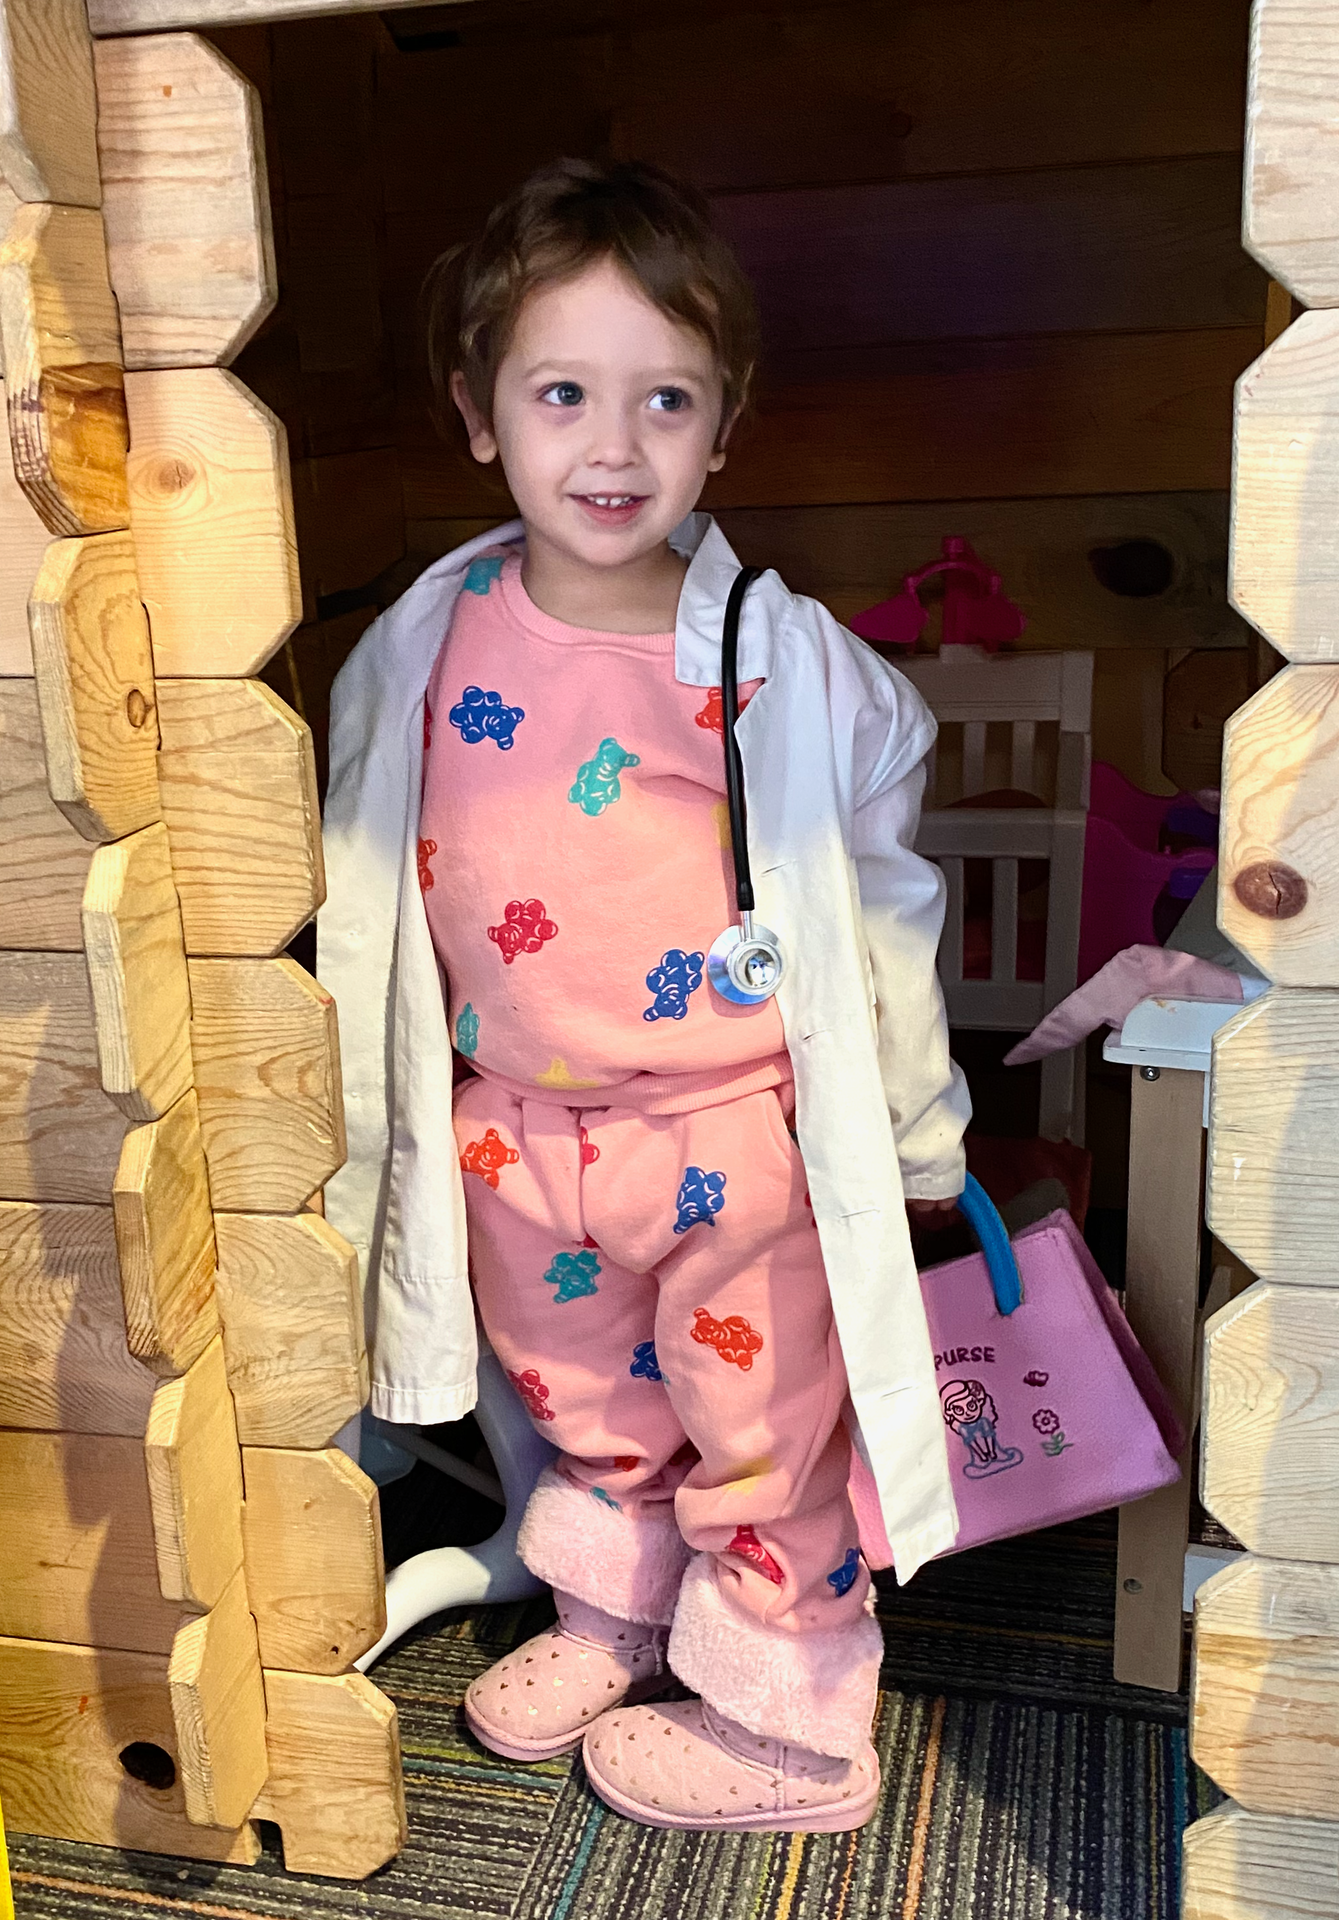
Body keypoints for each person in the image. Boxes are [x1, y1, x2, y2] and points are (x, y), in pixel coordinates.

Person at [320, 158, 971, 1834]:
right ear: (482, 414)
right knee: (589, 1406)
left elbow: (881, 849)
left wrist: (912, 1119)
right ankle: (613, 1615)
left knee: (759, 1431)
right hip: (514, 1131)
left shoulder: (772, 645)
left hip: (726, 1130)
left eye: (664, 400)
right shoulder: (426, 632)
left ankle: (795, 1729)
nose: (613, 447)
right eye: (564, 393)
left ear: (722, 426)